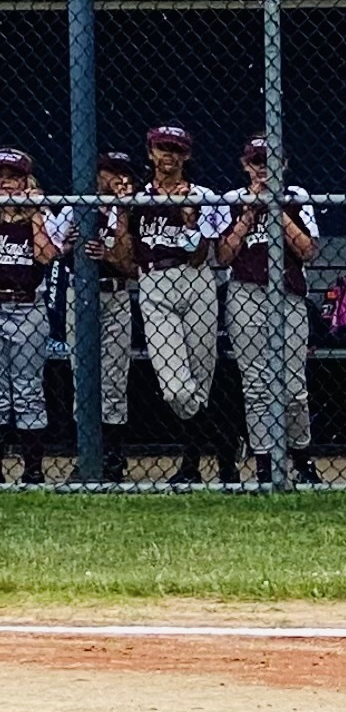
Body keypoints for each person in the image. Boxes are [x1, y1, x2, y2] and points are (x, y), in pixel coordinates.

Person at [110, 127, 231, 486]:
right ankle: (224, 438)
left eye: (176, 150)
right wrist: (121, 212)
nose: (169, 155)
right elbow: (125, 258)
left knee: (201, 379)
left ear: (186, 156)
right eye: (162, 148)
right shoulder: (137, 198)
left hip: (195, 280)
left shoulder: (203, 195)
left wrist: (190, 219)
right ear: (150, 153)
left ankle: (191, 464)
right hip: (153, 282)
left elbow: (201, 256)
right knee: (176, 387)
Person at [216, 137, 322, 487]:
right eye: (256, 161)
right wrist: (249, 213)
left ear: (284, 164)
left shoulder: (296, 196)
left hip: (288, 295)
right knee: (257, 385)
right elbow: (223, 256)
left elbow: (308, 251)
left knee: (293, 386)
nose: (263, 168)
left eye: (270, 161)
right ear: (245, 165)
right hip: (245, 293)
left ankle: (302, 460)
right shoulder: (233, 199)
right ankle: (265, 465)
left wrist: (275, 208)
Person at [64, 149, 141, 482]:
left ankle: (112, 457)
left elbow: (133, 267)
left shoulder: (136, 210)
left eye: (122, 172)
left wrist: (111, 245)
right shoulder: (75, 207)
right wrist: (68, 245)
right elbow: (52, 253)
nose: (116, 178)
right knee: (81, 375)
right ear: (96, 174)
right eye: (109, 171)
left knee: (113, 379)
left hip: (116, 293)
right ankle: (86, 455)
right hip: (80, 296)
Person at [0, 150, 64, 484]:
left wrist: (35, 211)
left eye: (13, 176)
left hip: (28, 307)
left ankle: (33, 470)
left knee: (27, 389)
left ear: (26, 181)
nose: (5, 183)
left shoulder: (40, 213)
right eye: (1, 176)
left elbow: (46, 255)